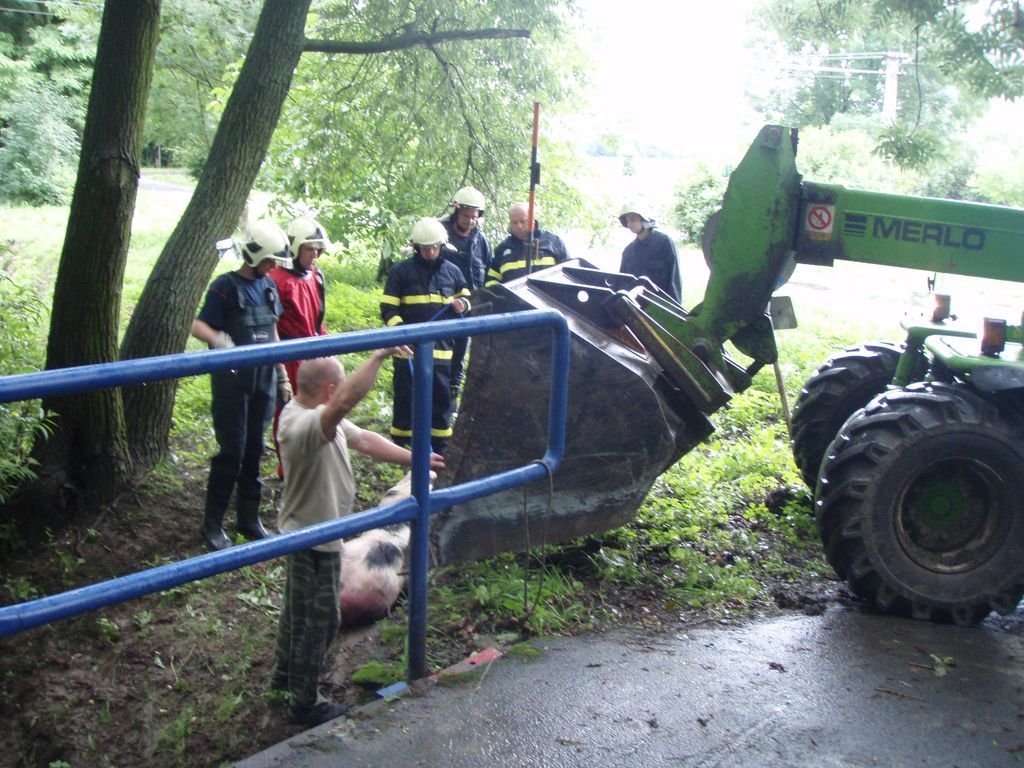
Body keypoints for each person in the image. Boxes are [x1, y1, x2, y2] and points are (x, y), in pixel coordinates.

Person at [271, 352, 445, 727]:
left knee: (295, 607)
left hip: (314, 531)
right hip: (315, 537)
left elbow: (364, 439)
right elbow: (346, 401)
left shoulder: (314, 415)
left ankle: (284, 675)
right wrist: (380, 354)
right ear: (330, 391)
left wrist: (416, 460)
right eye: (339, 388)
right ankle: (305, 703)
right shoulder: (304, 425)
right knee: (320, 618)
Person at [190, 220, 292, 550]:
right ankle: (213, 525)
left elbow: (273, 331)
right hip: (232, 381)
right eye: (270, 260)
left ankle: (249, 521)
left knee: (254, 450)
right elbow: (197, 324)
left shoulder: (269, 287)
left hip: (263, 378)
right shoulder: (225, 286)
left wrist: (282, 373)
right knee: (231, 452)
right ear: (254, 255)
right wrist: (219, 340)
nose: (274, 266)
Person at [380, 217, 471, 454]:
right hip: (408, 351)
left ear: (442, 245)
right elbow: (388, 308)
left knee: (440, 400)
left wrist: (463, 304)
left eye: (434, 247)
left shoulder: (453, 272)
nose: (430, 252)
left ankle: (439, 448)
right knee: (406, 398)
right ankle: (403, 449)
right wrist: (402, 333)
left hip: (441, 350)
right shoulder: (400, 272)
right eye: (425, 247)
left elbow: (468, 298)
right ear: (415, 247)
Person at [269, 216, 331, 478]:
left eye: (318, 249)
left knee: (318, 408)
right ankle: (289, 468)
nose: (314, 255)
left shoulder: (316, 276)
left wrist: (326, 346)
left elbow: (319, 317)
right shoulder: (277, 279)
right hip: (289, 355)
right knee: (288, 411)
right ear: (295, 249)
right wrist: (279, 366)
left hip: (314, 352)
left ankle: (313, 460)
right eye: (309, 249)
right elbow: (271, 325)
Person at [440, 186, 491, 400]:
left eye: (474, 216)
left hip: (469, 307)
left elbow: (488, 272)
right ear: (456, 212)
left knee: (459, 354)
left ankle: (452, 392)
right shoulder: (440, 235)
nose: (470, 220)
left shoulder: (481, 241)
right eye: (466, 215)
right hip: (441, 308)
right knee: (439, 354)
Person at [486, 202, 569, 285]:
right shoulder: (502, 249)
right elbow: (491, 280)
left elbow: (568, 273)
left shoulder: (553, 242)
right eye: (515, 222)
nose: (519, 226)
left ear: (532, 220)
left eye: (522, 221)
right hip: (513, 297)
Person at [618, 204, 682, 303]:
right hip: (635, 308)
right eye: (627, 221)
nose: (629, 224)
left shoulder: (664, 243)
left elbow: (674, 279)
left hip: (660, 306)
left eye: (633, 219)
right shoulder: (628, 252)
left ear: (644, 220)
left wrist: (675, 309)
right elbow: (623, 283)